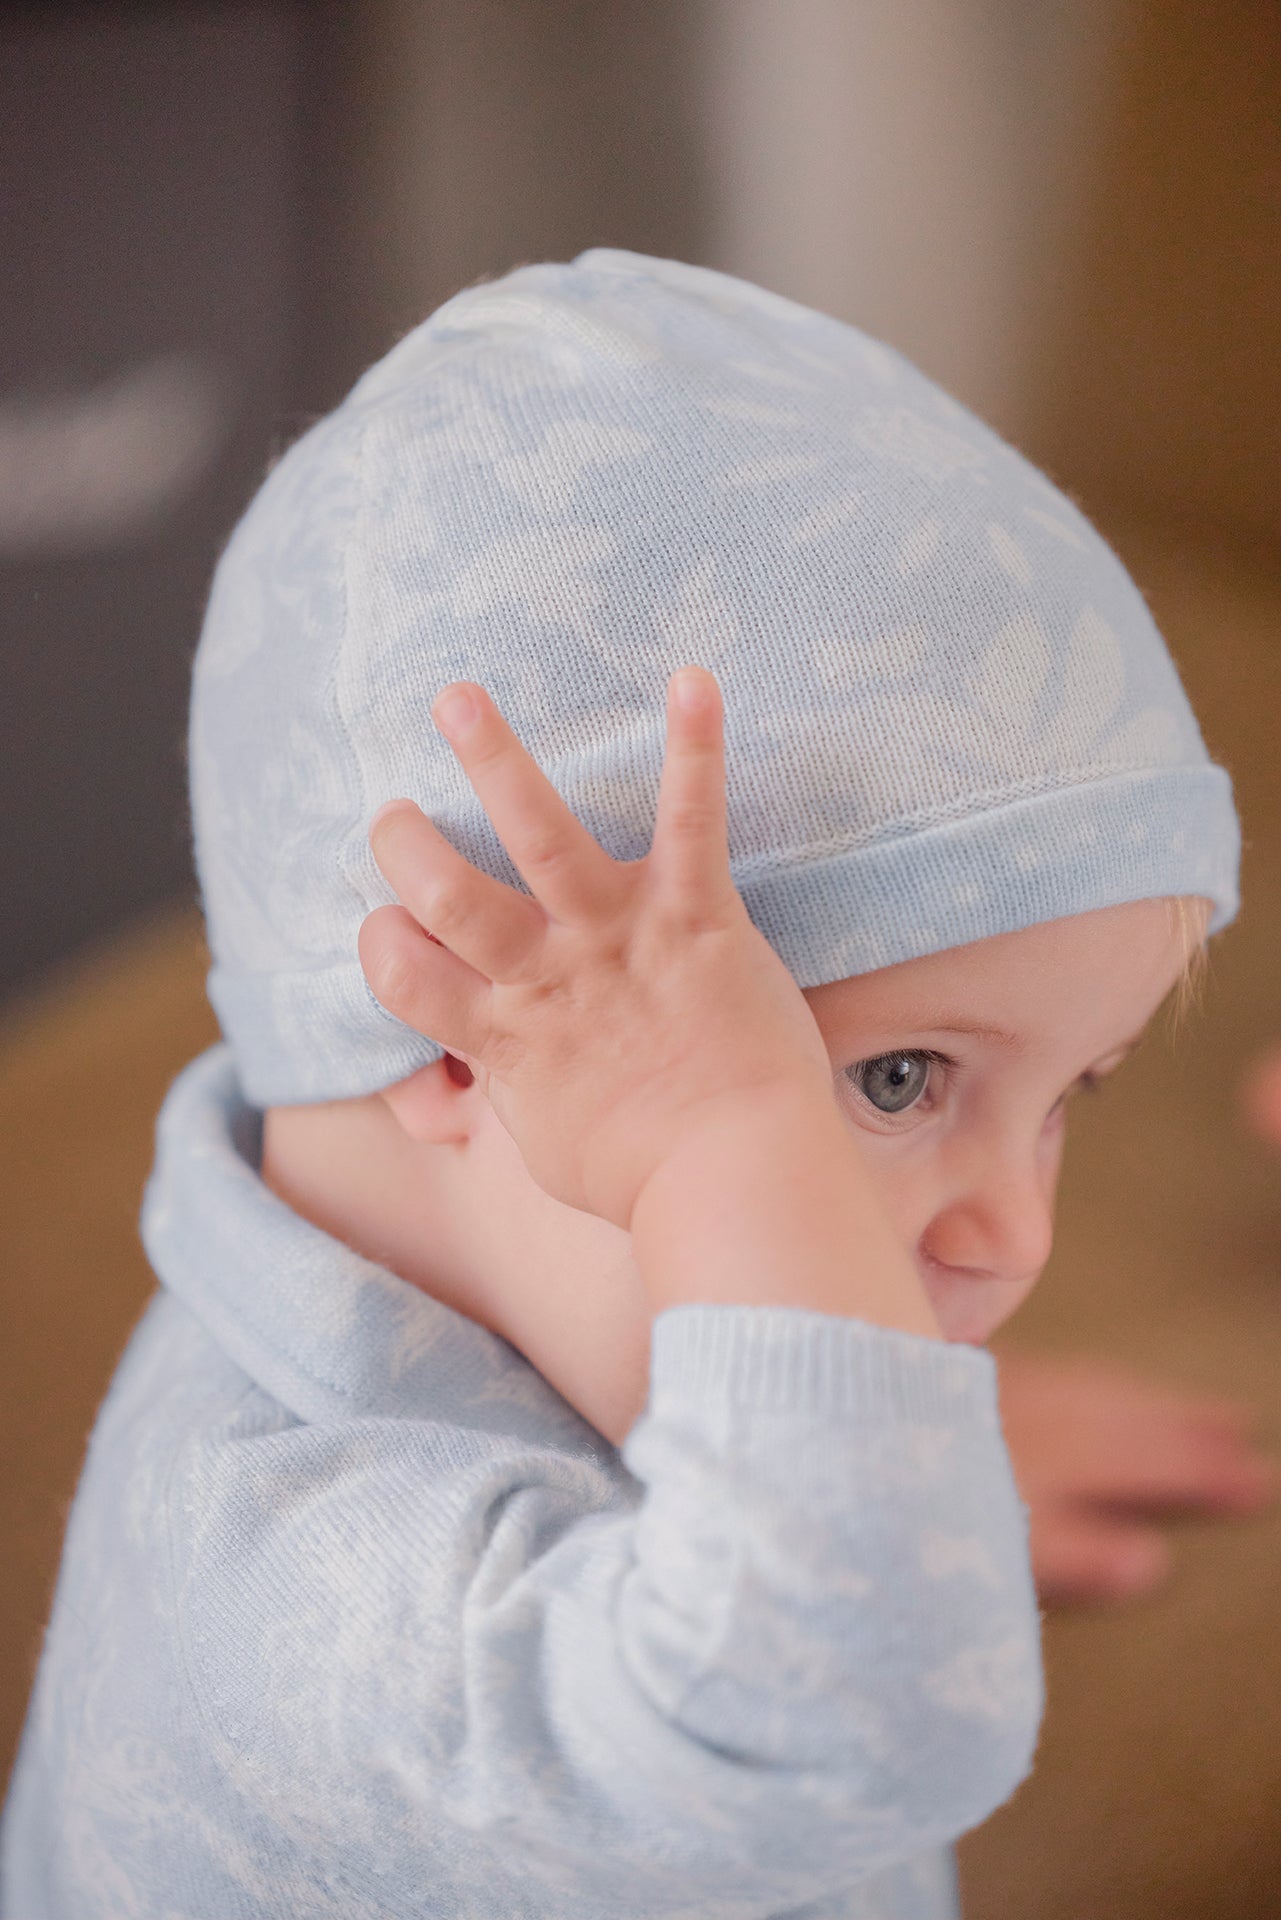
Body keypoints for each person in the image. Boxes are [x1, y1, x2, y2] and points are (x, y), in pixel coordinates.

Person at [0, 250, 1262, 1919]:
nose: (1012, 1237)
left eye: (1069, 1093)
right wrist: (824, 1476)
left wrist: (811, 1440)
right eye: (895, 1078)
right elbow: (833, 1723)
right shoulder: (308, 1593)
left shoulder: (494, 1332)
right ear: (459, 1039)